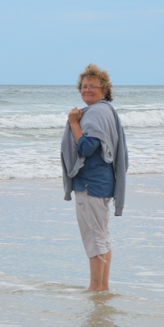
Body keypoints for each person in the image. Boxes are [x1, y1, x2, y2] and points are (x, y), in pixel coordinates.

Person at [61, 64, 128, 291]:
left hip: (90, 183)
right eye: (84, 86)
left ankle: (95, 287)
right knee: (102, 236)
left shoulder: (95, 112)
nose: (87, 89)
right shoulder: (107, 110)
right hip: (102, 182)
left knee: (94, 238)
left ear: (104, 89)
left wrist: (73, 123)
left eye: (93, 86)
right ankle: (102, 286)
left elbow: (87, 147)